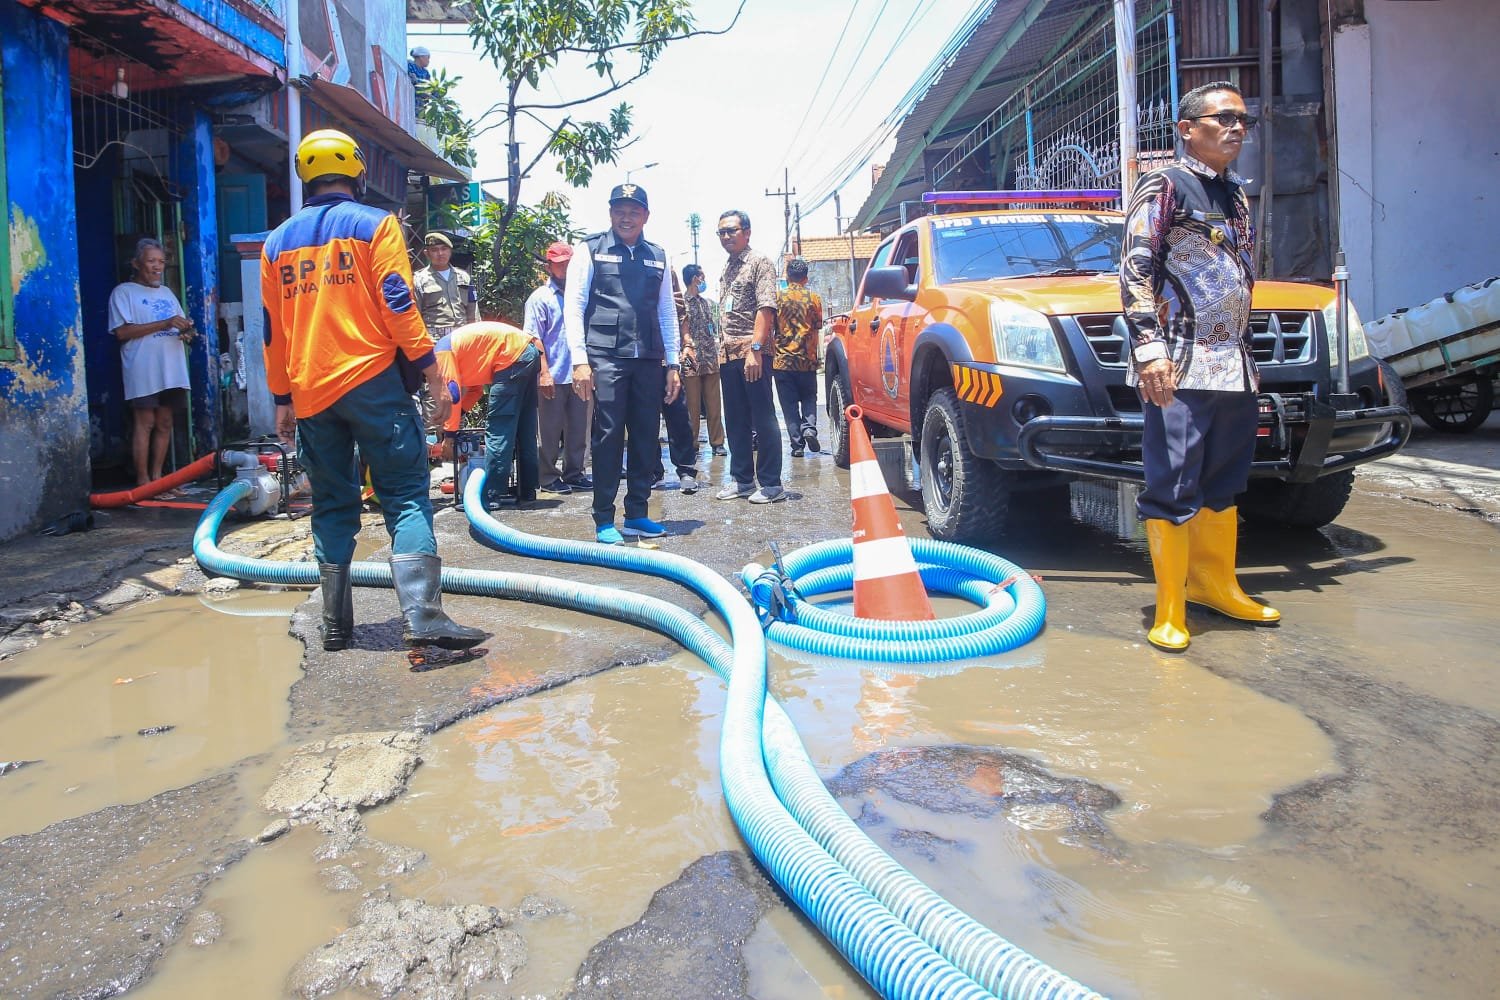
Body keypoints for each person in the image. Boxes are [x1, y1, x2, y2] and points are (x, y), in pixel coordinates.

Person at [261, 128, 487, 653]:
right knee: (406, 495)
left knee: (332, 503)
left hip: (312, 393)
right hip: (373, 384)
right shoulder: (376, 225)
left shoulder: (276, 244)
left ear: (306, 178)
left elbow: (274, 331)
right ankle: (424, 616)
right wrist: (432, 373)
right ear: (357, 172)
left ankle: (336, 627)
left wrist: (280, 399)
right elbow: (399, 305)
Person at [1121, 80, 1281, 652]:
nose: (1236, 128)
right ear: (1188, 129)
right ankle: (1169, 605)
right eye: (1223, 119)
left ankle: (1217, 584)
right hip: (1179, 362)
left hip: (1233, 363)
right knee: (1173, 480)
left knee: (1224, 479)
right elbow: (1136, 268)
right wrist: (1148, 348)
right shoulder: (1164, 184)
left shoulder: (1236, 192)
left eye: (1243, 119)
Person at [564, 182, 682, 545]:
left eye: (634, 211)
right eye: (620, 210)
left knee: (647, 435)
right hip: (605, 356)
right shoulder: (590, 250)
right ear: (610, 213)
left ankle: (637, 514)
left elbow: (666, 311)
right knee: (608, 436)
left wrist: (673, 363)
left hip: (647, 357)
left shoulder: (659, 255)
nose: (626, 217)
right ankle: (603, 518)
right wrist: (580, 361)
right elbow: (574, 304)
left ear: (646, 216)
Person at [108, 238, 195, 491]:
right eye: (151, 261)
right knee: (144, 423)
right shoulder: (124, 292)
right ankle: (143, 481)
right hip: (143, 369)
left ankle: (159, 480)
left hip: (172, 368)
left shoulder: (166, 293)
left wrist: (186, 332)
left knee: (165, 423)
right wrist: (165, 324)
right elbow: (121, 333)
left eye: (161, 261)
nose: (158, 267)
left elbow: (178, 322)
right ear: (136, 264)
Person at [434, 322, 551, 509]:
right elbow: (475, 391)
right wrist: (460, 415)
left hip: (512, 357)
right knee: (524, 429)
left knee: (498, 429)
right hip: (526, 353)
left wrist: (449, 435)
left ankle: (490, 495)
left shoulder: (441, 354)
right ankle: (527, 490)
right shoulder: (458, 355)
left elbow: (453, 394)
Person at [714, 210, 784, 503]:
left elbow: (766, 308)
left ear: (747, 232)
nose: (726, 237)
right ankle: (741, 479)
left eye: (731, 230)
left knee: (762, 416)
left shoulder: (760, 263)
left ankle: (771, 484)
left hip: (751, 352)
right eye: (722, 233)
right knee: (736, 419)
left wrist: (755, 350)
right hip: (728, 353)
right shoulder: (728, 267)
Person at [524, 241, 592, 495]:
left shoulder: (582, 296)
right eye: (559, 265)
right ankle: (548, 477)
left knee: (579, 429)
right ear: (550, 266)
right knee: (549, 431)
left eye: (568, 264)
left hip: (578, 373)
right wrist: (543, 372)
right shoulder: (540, 298)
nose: (564, 269)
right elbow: (533, 337)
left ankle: (575, 473)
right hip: (552, 373)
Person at [772, 257, 824, 456]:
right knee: (809, 397)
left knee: (789, 405)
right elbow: (818, 327)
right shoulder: (814, 299)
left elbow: (772, 328)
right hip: (807, 360)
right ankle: (809, 428)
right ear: (806, 278)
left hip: (783, 361)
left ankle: (797, 446)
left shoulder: (778, 298)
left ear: (787, 276)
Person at [680, 263, 726, 457]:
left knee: (714, 403)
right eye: (702, 277)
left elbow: (712, 328)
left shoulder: (706, 303)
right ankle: (692, 443)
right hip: (690, 359)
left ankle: (717, 442)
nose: (704, 281)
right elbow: (682, 330)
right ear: (694, 279)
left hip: (709, 357)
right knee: (692, 404)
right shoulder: (682, 303)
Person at [412, 232, 477, 340]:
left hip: (462, 338)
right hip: (435, 340)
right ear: (427, 253)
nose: (440, 253)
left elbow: (473, 312)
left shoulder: (464, 277)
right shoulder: (419, 280)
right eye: (434, 250)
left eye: (444, 249)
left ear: (450, 251)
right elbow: (415, 315)